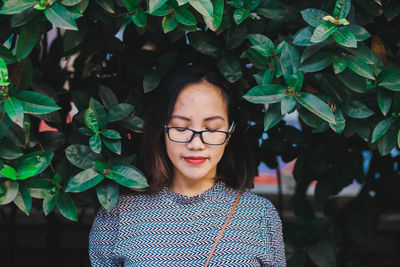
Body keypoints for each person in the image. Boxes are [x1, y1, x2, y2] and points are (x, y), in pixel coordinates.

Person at [89, 66, 286, 266]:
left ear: (230, 132)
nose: (196, 144)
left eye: (211, 128)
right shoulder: (117, 215)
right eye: (181, 127)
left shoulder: (259, 215)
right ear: (162, 129)